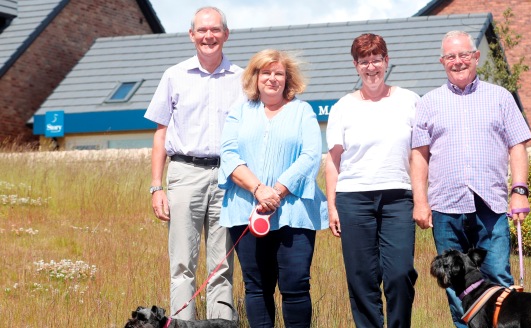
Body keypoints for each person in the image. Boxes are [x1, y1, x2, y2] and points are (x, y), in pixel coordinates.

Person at [410, 30, 531, 328]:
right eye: (451, 56)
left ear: (476, 57)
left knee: (499, 279)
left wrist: (519, 190)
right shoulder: (428, 103)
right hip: (445, 209)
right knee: (455, 288)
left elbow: (518, 145)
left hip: (489, 205)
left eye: (464, 54)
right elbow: (419, 156)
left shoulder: (500, 97)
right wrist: (420, 201)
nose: (458, 61)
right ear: (442, 62)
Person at [219, 49, 327, 328]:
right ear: (255, 77)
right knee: (256, 287)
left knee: (296, 286)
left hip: (294, 213)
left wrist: (276, 192)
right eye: (265, 72)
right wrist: (258, 190)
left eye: (278, 73)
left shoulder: (302, 110)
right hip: (247, 212)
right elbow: (229, 156)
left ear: (287, 79)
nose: (272, 78)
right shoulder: (239, 112)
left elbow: (311, 155)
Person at [144, 6, 241, 321]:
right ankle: (182, 325)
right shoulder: (174, 75)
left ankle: (220, 325)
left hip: (229, 177)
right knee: (183, 264)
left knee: (221, 266)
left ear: (225, 34)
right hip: (184, 174)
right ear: (191, 35)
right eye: (202, 30)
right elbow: (160, 134)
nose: (208, 36)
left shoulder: (242, 78)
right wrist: (156, 187)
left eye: (215, 30)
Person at [325, 33, 421, 328]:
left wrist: (421, 199)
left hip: (398, 198)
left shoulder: (409, 101)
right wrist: (332, 207)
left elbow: (419, 154)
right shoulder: (343, 106)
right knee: (361, 278)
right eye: (364, 61)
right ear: (356, 66)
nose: (370, 67)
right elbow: (333, 160)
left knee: (400, 274)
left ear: (386, 61)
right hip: (354, 199)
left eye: (376, 60)